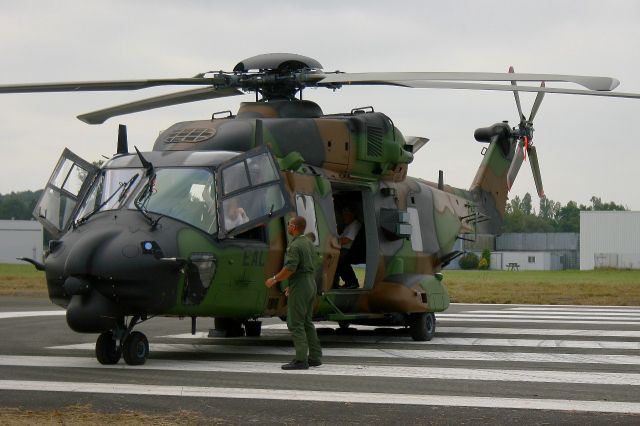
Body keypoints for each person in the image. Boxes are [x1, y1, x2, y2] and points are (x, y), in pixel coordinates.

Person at [265, 216, 322, 370]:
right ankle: (315, 357)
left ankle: (301, 359)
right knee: (307, 321)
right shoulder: (309, 243)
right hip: (310, 283)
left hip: (301, 285)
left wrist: (274, 279)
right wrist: (294, 284)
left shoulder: (295, 246)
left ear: (294, 227)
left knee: (295, 322)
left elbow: (290, 268)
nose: (288, 226)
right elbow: (314, 264)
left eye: (289, 224)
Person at [333, 206, 362, 289]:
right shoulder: (349, 225)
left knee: (338, 259)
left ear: (352, 215)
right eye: (343, 214)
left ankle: (352, 282)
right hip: (343, 249)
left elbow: (346, 240)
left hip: (349, 250)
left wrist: (331, 243)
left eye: (346, 214)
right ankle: (334, 283)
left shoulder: (355, 224)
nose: (344, 216)